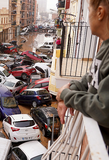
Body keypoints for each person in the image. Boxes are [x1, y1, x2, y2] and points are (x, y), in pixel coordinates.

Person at [56, 0, 109, 145]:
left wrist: (66, 95)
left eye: (88, 10)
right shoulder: (105, 44)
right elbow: (91, 77)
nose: (87, 17)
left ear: (100, 12)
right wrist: (69, 90)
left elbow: (105, 110)